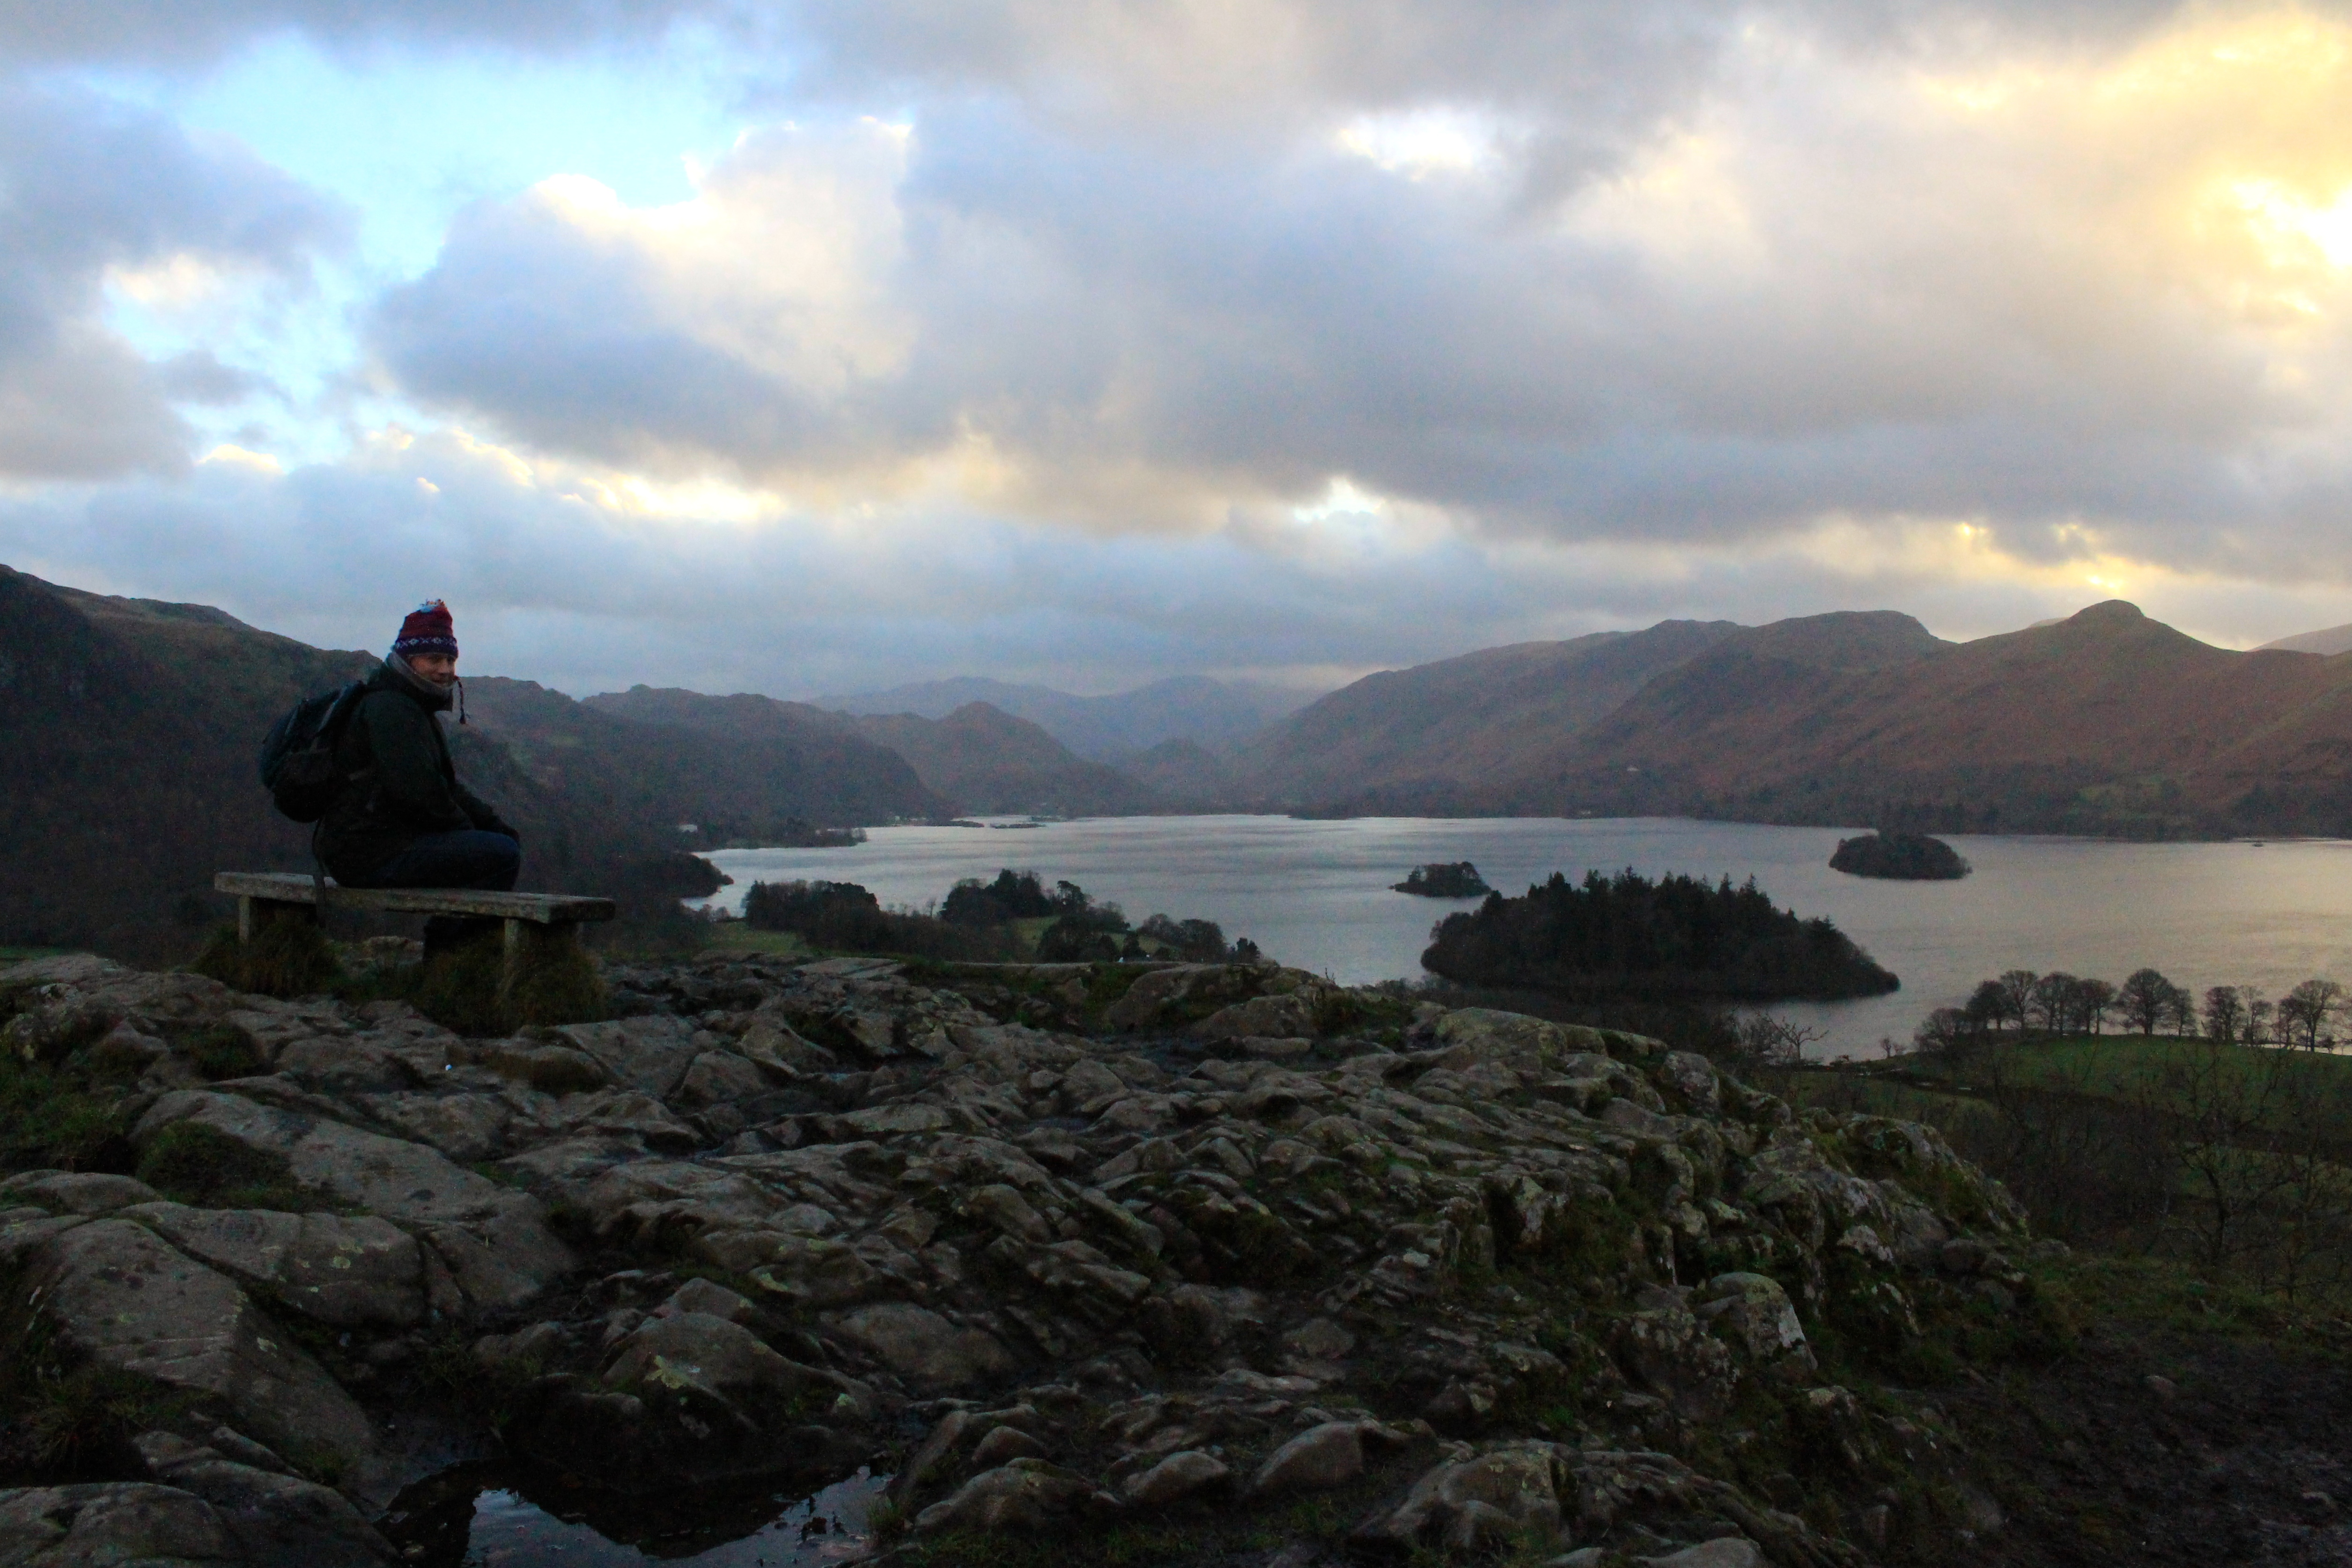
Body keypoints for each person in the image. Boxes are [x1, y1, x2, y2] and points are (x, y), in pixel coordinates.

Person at [315, 601, 521, 923]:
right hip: (368, 853)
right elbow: (418, 792)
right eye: (434, 659)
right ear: (409, 662)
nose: (445, 669)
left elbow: (444, 786)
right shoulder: (392, 711)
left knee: (499, 844)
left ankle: (454, 942)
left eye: (450, 660)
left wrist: (492, 824)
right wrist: (468, 831)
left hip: (378, 845)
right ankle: (451, 945)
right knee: (501, 855)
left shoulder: (410, 707)